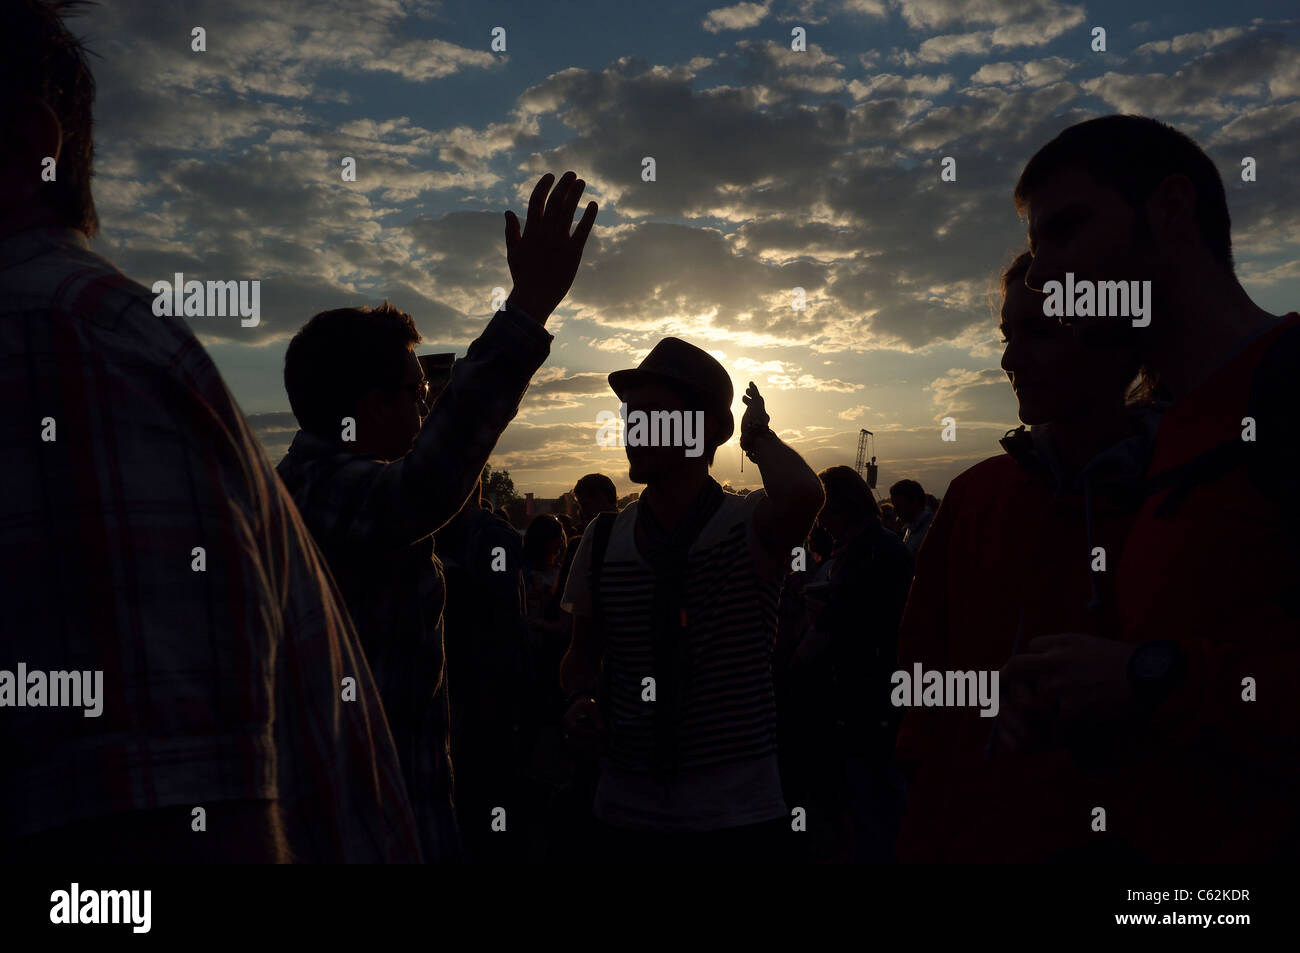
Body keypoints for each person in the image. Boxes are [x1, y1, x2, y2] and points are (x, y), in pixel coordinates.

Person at [0, 0, 419, 862]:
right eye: (412, 394)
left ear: (23, 146)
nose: (424, 413)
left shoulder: (62, 345)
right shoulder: (66, 345)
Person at [1001, 114, 1299, 861]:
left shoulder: (1291, 384)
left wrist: (1150, 675)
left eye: (1065, 230)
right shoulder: (1160, 441)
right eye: (1036, 253)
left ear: (1170, 210)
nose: (1041, 276)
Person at [277, 170, 597, 862]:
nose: (426, 412)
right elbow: (428, 483)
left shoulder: (307, 490)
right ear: (371, 405)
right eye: (418, 396)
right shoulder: (322, 491)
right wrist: (529, 306)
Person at [894, 250, 1159, 862]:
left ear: (1118, 339)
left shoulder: (1186, 494)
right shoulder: (975, 495)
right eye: (1008, 335)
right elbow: (923, 658)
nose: (1010, 360)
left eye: (1041, 332)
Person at [559, 338, 824, 863]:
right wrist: (577, 700)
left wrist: (758, 437)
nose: (633, 430)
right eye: (629, 417)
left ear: (704, 430)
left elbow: (803, 495)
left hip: (737, 815)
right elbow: (581, 658)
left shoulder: (747, 523)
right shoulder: (604, 537)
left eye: (651, 416)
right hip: (624, 808)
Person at [434, 480, 530, 862]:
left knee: (489, 787)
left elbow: (500, 617)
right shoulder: (449, 535)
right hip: (464, 690)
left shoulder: (491, 538)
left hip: (484, 690)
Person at [889, 479, 933, 558]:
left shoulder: (930, 530)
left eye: (898, 506)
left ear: (914, 502)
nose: (894, 511)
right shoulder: (910, 528)